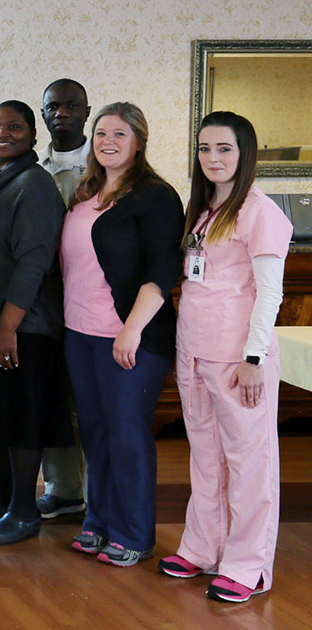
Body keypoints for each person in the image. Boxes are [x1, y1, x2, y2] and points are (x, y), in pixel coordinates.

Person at [160, 111, 291, 603]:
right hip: (195, 352)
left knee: (249, 462)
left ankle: (247, 565)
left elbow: (269, 292)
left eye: (224, 149)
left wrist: (254, 357)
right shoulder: (204, 210)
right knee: (207, 459)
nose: (212, 158)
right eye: (205, 148)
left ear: (245, 153)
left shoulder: (260, 212)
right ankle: (202, 547)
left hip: (239, 360)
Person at [59, 102, 183, 567]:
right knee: (94, 432)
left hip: (130, 335)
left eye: (119, 134)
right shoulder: (85, 192)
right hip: (79, 332)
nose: (108, 142)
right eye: (101, 134)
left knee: (127, 433)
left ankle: (133, 533)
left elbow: (161, 269)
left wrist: (132, 329)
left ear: (138, 142)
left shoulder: (155, 196)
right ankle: (99, 522)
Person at [0, 101, 70, 546]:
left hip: (24, 326)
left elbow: (33, 261)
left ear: (32, 134)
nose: (3, 133)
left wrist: (8, 327)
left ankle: (24, 509)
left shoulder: (34, 184)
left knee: (20, 422)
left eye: (15, 127)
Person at [37, 78, 92, 520]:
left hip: (94, 303)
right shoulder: (32, 170)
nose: (63, 113)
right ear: (43, 115)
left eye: (72, 106)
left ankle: (98, 496)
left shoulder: (107, 167)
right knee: (52, 398)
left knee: (91, 403)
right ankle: (63, 490)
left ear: (87, 112)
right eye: (54, 107)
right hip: (43, 303)